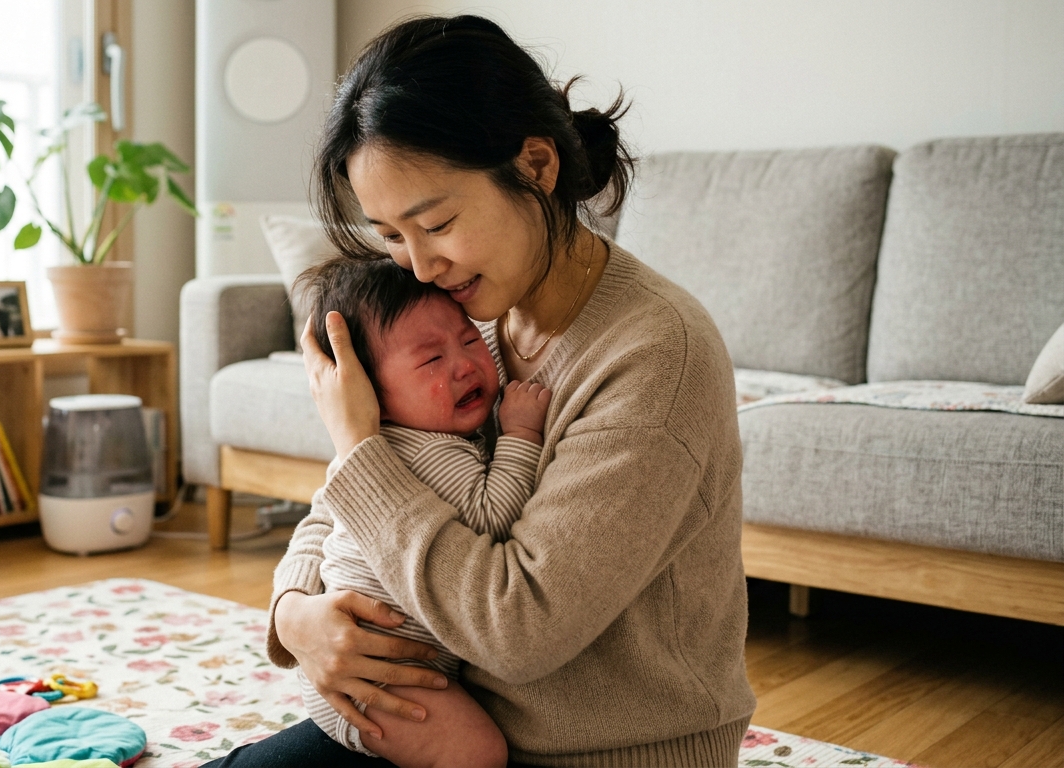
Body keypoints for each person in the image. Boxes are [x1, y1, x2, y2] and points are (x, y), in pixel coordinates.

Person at [207, 14, 755, 768]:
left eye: (436, 223)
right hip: (434, 717)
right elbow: (351, 505)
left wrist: (357, 444)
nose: (421, 266)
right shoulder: (466, 320)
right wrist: (297, 612)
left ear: (535, 165)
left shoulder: (656, 356)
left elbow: (517, 628)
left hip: (602, 754)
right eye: (392, 236)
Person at [292, 257, 553, 767]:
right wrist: (521, 435)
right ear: (367, 394)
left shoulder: (386, 441)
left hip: (364, 666)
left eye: (470, 340)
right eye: (431, 361)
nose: (464, 365)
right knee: (474, 750)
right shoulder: (429, 451)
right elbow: (492, 517)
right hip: (373, 680)